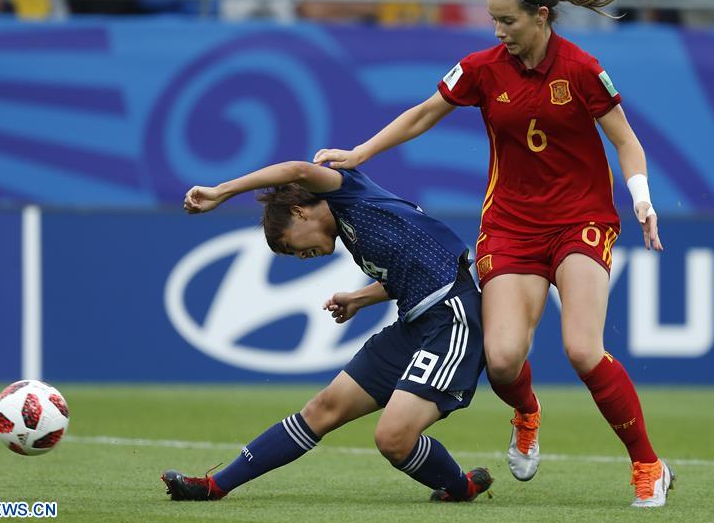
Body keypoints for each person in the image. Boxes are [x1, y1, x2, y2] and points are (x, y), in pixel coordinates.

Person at [313, 0, 675, 508]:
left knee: (582, 349)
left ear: (543, 16)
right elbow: (422, 114)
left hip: (580, 220)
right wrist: (358, 154)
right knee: (502, 358)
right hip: (510, 226)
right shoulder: (481, 68)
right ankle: (527, 412)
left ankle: (648, 464)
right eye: (493, 20)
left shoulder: (581, 69)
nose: (498, 31)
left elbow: (626, 141)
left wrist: (643, 199)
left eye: (508, 21)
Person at [162, 160, 492, 503]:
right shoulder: (353, 233)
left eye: (290, 245)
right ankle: (214, 487)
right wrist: (359, 299)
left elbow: (298, 170)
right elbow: (410, 272)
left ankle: (462, 487)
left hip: (451, 319)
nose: (300, 256)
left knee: (393, 438)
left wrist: (221, 191)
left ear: (299, 212)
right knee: (323, 408)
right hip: (415, 323)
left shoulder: (347, 194)